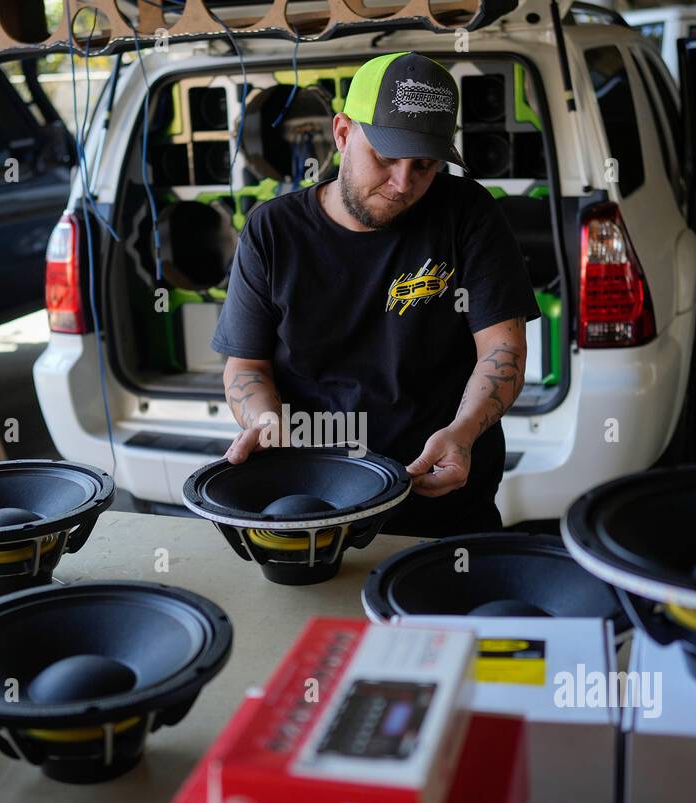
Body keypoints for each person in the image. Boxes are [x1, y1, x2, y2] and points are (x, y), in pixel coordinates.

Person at [212, 52, 537, 538]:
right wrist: (264, 420)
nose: (403, 183)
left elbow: (502, 347)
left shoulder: (467, 212)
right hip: (315, 493)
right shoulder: (272, 231)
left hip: (438, 489)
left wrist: (464, 432)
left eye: (424, 166)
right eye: (385, 157)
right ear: (342, 134)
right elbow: (246, 366)